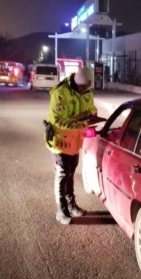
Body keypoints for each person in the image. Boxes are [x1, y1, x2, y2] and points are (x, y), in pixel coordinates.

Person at [44, 66, 98, 225]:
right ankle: (61, 210)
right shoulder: (60, 93)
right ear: (76, 82)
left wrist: (93, 116)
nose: (85, 90)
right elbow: (58, 120)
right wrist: (83, 123)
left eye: (87, 87)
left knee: (70, 174)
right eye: (83, 87)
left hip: (75, 141)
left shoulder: (87, 91)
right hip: (60, 141)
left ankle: (71, 205)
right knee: (62, 174)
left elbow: (91, 109)